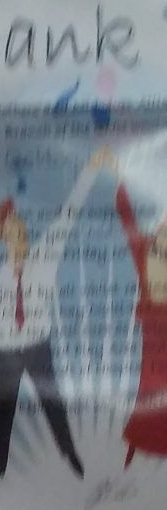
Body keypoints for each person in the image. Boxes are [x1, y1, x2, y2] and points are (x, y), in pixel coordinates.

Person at [0, 150, 111, 503]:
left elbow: (68, 214)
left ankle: (69, 452)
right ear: (3, 238)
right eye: (14, 231)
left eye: (23, 229)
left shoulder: (45, 258)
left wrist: (90, 169)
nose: (22, 234)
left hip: (38, 346)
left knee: (53, 402)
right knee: (2, 414)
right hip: (4, 353)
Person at [111, 173, 167, 462]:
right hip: (152, 381)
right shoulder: (145, 266)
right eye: (159, 250)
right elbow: (126, 216)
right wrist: (122, 175)